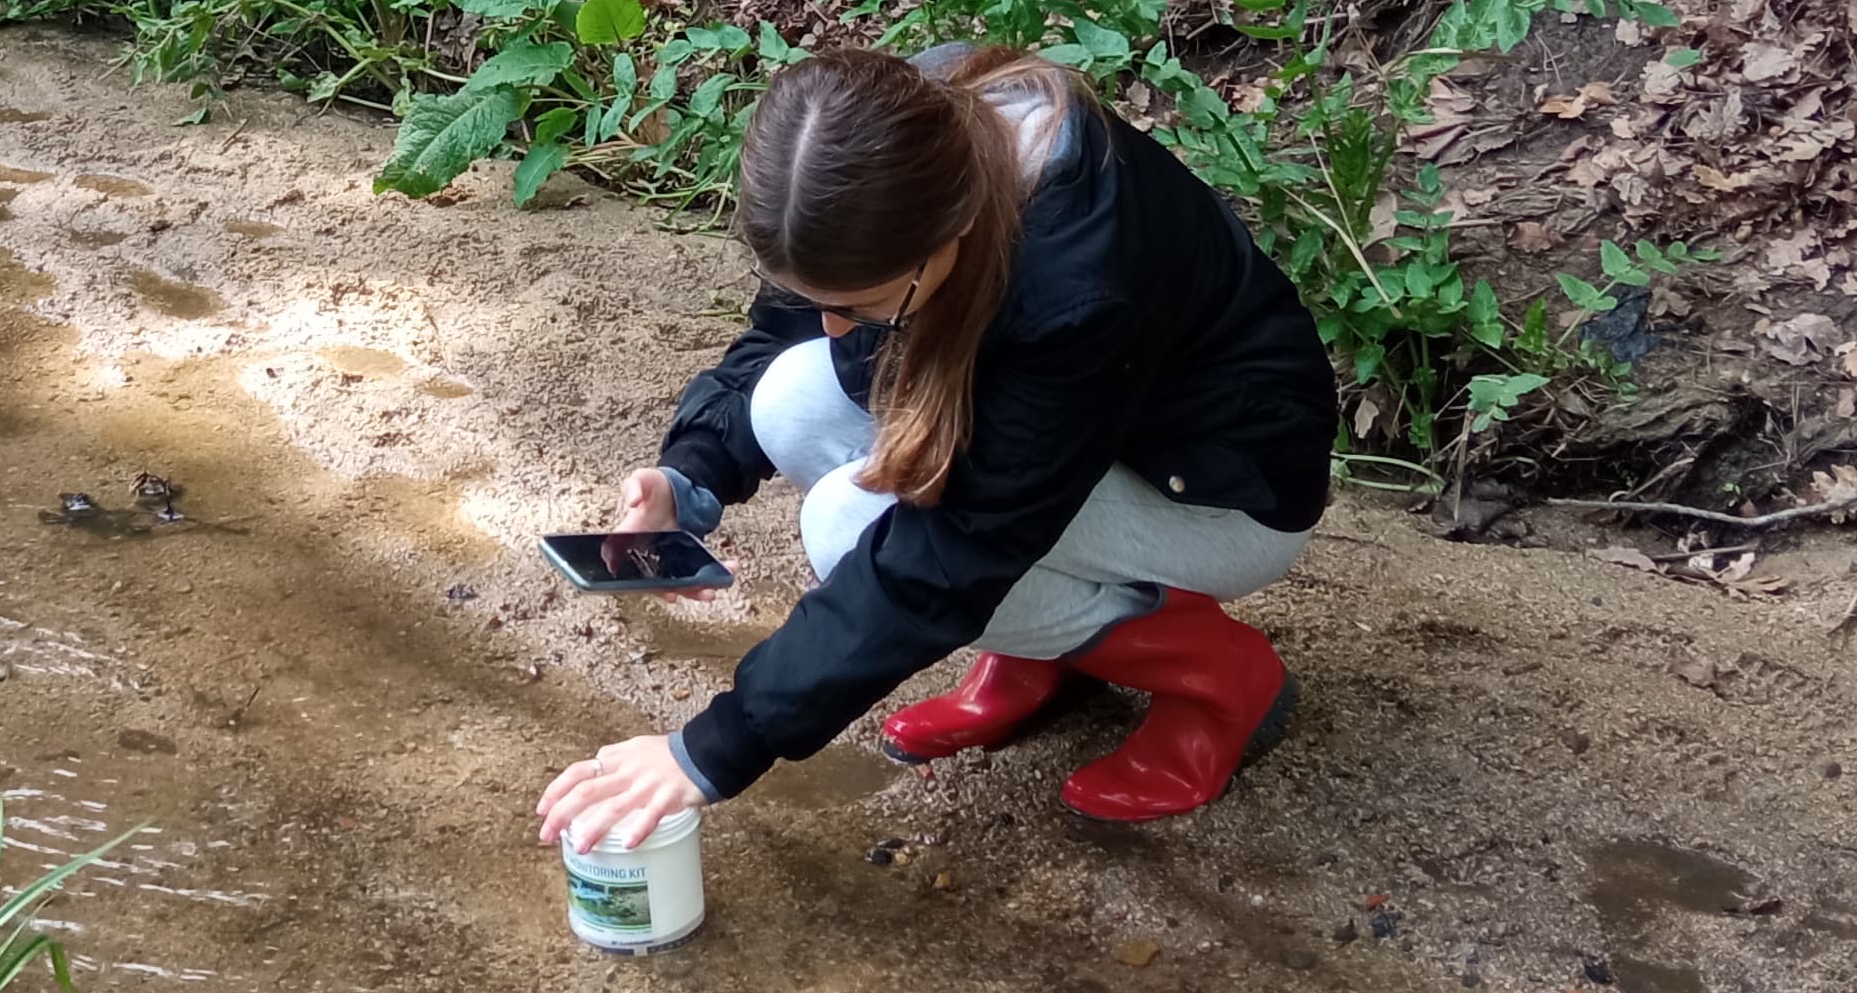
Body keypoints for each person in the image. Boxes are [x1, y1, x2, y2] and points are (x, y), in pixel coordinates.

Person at [535, 44, 1337, 856]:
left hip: (1220, 491)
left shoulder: (1080, 289)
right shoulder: (887, 146)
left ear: (948, 230)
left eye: (862, 304)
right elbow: (789, 322)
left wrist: (712, 748)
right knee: (791, 395)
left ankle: (1221, 677)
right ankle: (1038, 658)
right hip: (1089, 434)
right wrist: (692, 473)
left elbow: (955, 551)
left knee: (851, 523)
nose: (833, 327)